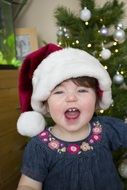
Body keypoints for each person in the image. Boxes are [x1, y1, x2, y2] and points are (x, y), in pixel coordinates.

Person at [16, 43, 127, 190]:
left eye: (81, 90)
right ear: (46, 105)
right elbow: (28, 184)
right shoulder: (39, 147)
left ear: (96, 100)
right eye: (59, 92)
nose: (71, 98)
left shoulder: (106, 128)